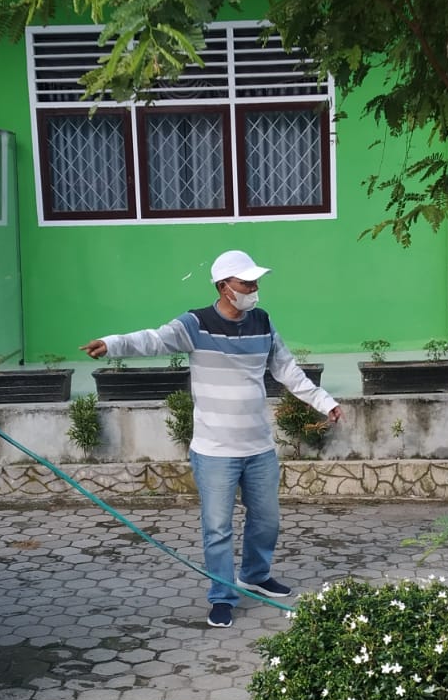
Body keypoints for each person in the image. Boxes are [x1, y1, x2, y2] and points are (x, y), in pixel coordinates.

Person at [80, 250, 341, 628]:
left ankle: (255, 575)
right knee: (218, 528)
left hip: (258, 447)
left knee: (267, 520)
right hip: (215, 451)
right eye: (246, 283)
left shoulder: (263, 322)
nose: (254, 289)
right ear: (223, 287)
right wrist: (113, 343)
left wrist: (324, 401)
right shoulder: (195, 324)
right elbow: (155, 339)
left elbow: (287, 369)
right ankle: (222, 596)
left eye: (255, 283)